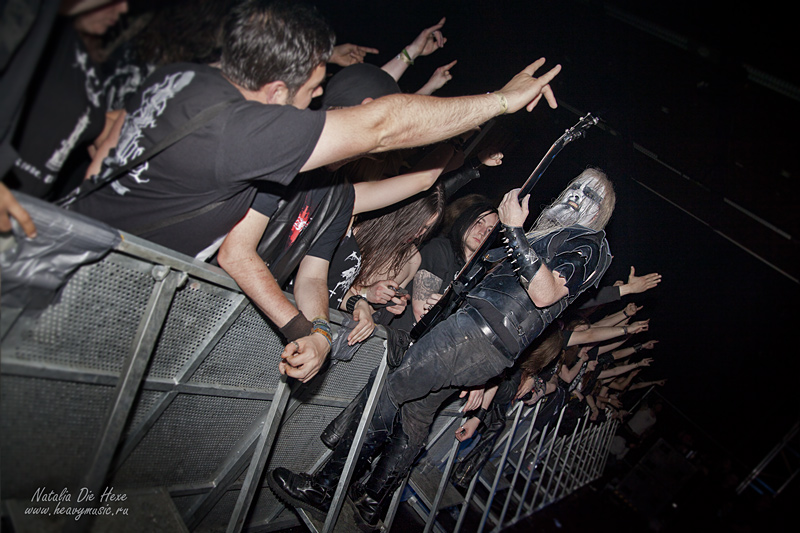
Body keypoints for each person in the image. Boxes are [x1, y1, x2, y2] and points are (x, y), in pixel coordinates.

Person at [65, 0, 560, 257]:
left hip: (71, 226)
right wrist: (501, 101)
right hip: (94, 273)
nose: (316, 101)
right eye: (312, 91)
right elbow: (381, 124)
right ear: (277, 92)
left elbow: (107, 138)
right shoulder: (249, 133)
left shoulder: (185, 76)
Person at [268, 168, 616, 530]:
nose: (575, 196)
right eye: (574, 186)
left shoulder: (587, 243)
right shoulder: (559, 239)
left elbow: (544, 294)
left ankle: (326, 486)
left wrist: (513, 229)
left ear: (599, 211)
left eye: (588, 194)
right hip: (481, 344)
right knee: (417, 411)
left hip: (474, 336)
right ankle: (372, 499)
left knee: (388, 390)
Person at [4, 0, 129, 200]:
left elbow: (101, 129)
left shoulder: (85, 61)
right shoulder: (26, 32)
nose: (123, 8)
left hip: (30, 208)